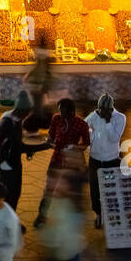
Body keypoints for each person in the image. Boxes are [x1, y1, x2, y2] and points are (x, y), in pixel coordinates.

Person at [35, 97, 90, 228]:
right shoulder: (56, 119)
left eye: (63, 112)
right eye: (59, 111)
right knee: (49, 190)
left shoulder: (81, 124)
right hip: (56, 160)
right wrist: (50, 143)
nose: (61, 114)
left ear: (72, 112)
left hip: (72, 164)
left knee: (71, 192)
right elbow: (51, 136)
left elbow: (86, 143)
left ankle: (70, 221)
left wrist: (76, 148)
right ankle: (41, 217)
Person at [85, 94, 124, 228]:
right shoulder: (94, 115)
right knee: (95, 190)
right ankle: (99, 215)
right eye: (99, 109)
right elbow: (83, 128)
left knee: (111, 189)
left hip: (111, 160)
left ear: (110, 109)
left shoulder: (120, 118)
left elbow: (114, 138)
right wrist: (90, 136)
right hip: (95, 160)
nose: (100, 112)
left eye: (104, 110)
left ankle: (112, 216)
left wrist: (107, 123)